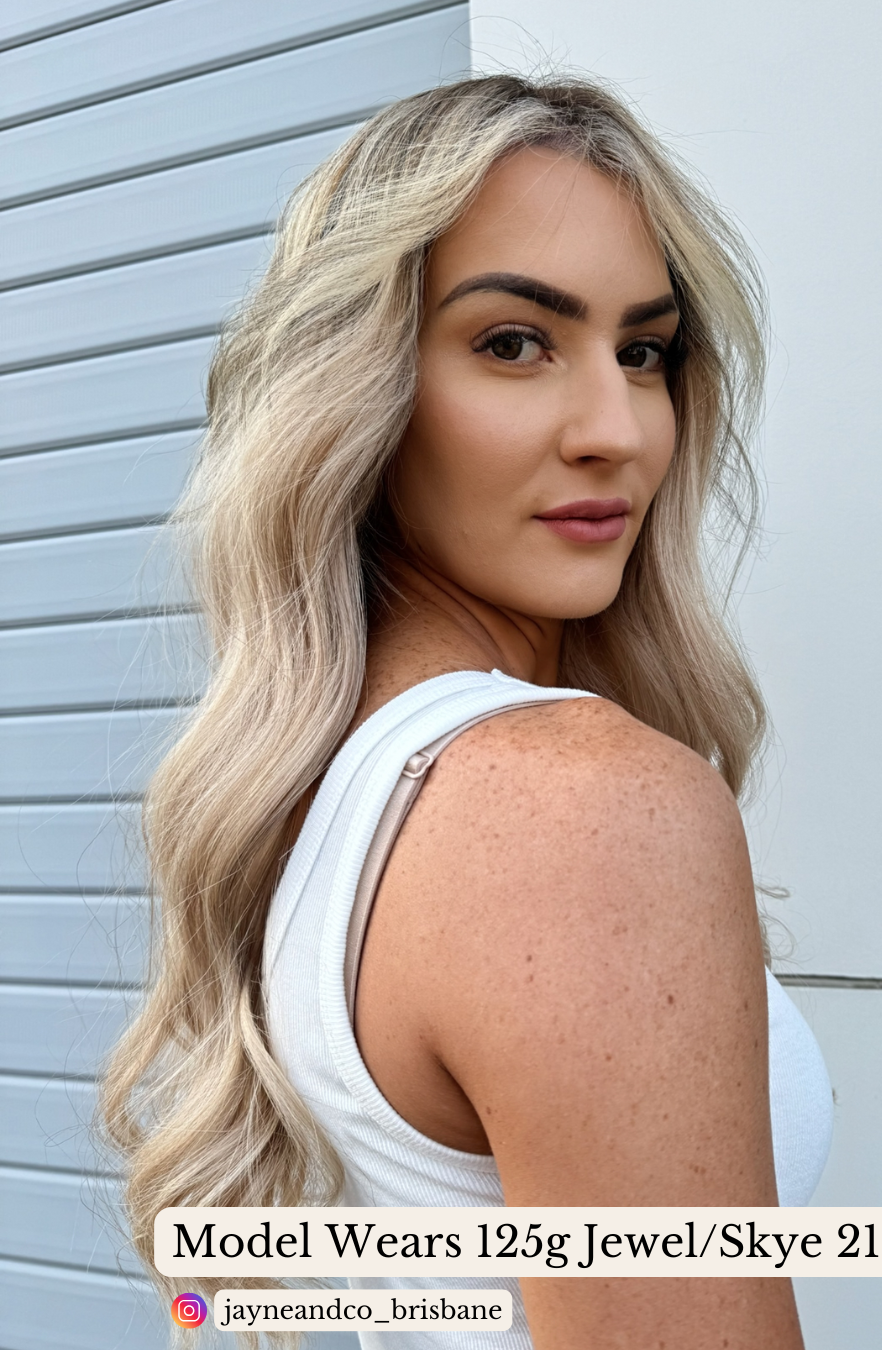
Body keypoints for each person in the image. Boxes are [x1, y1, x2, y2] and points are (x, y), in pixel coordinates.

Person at [101, 74, 832, 1348]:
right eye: (513, 341)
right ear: (362, 389)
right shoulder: (575, 806)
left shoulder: (330, 794)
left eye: (643, 352)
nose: (617, 430)